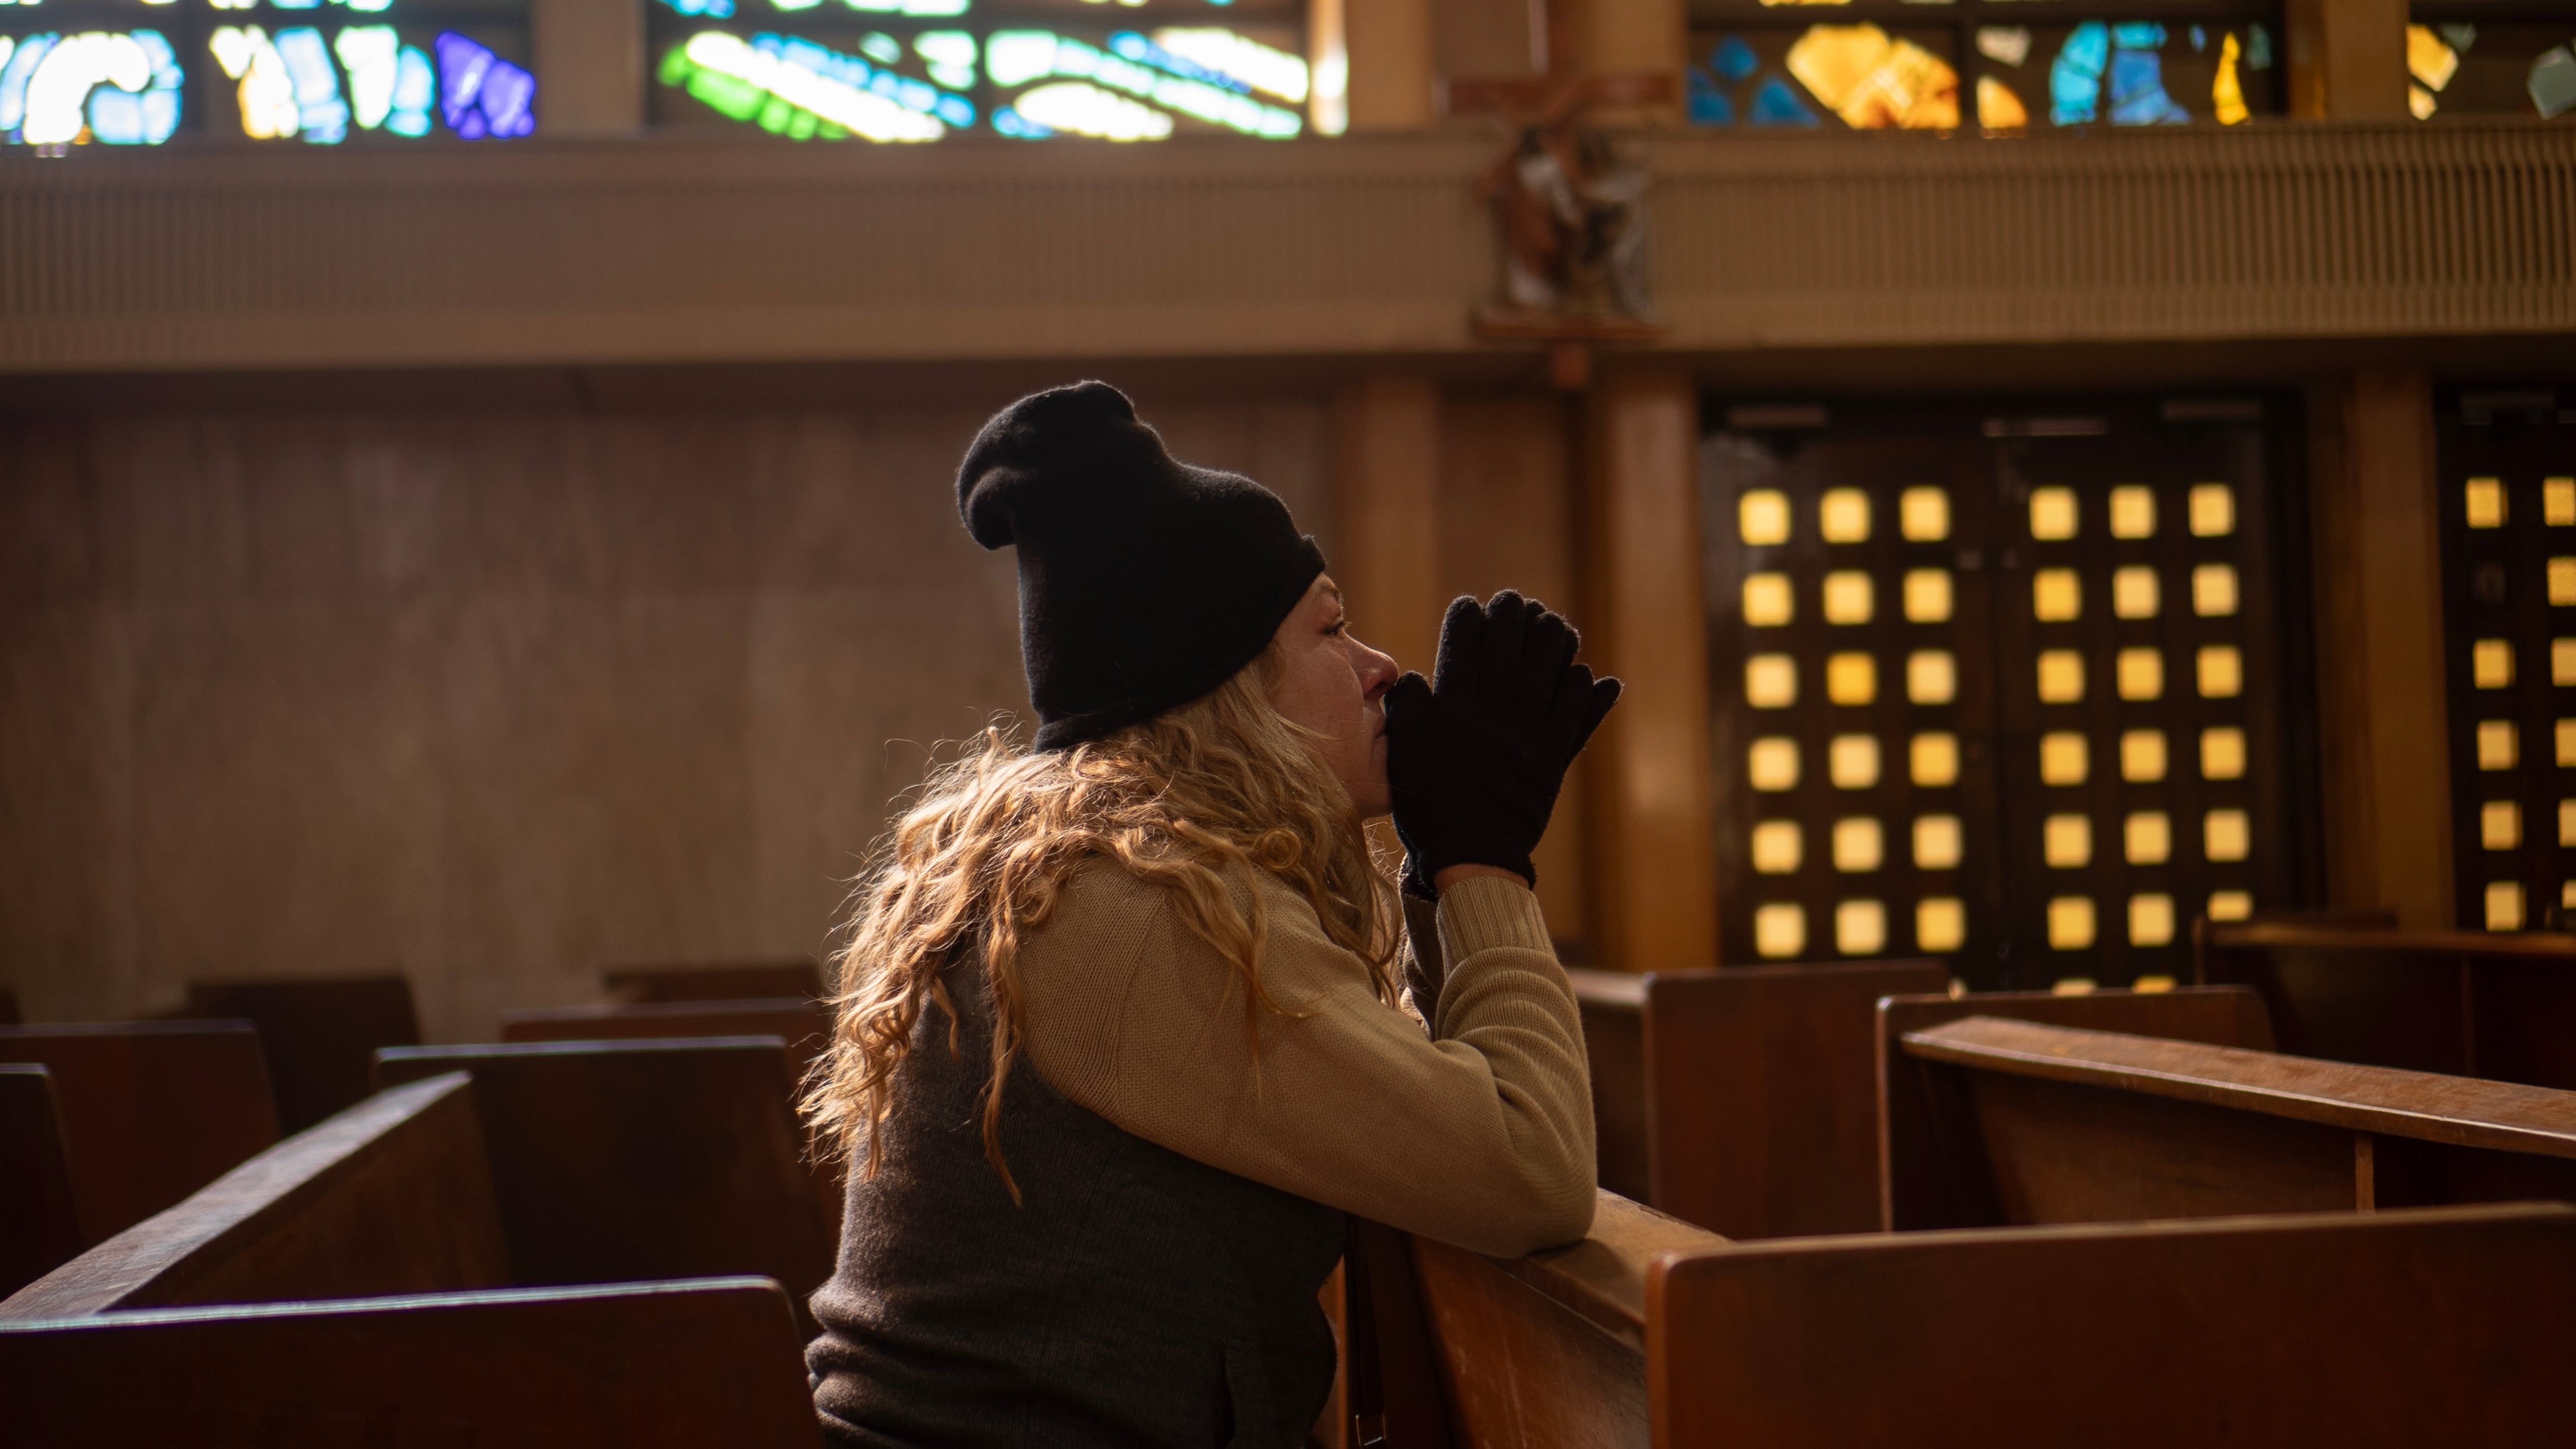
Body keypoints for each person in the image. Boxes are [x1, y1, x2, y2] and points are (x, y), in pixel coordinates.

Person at [802, 381, 1618, 1449]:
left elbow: (1415, 1115)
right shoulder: (1136, 912)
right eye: (1332, 628)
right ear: (1228, 690)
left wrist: (1437, 868)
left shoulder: (1081, 876)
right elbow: (1530, 1171)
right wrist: (1485, 861)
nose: (1381, 669)